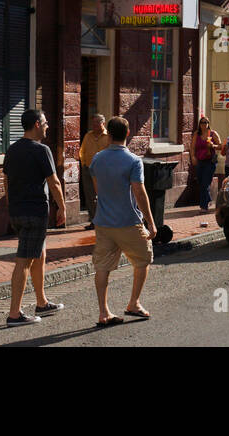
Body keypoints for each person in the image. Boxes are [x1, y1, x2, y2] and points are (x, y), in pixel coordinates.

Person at [90, 116, 158, 326]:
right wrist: (151, 223)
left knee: (102, 267)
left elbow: (97, 189)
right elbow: (139, 192)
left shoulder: (97, 159)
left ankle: (103, 312)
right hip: (128, 221)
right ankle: (134, 303)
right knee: (143, 259)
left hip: (103, 222)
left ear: (108, 135)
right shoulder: (133, 161)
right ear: (127, 134)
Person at [4, 109, 68, 325]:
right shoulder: (42, 150)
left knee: (39, 253)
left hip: (17, 211)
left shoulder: (12, 150)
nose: (48, 125)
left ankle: (41, 301)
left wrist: (11, 204)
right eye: (46, 122)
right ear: (37, 125)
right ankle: (14, 314)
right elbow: (54, 182)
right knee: (23, 261)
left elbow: (6, 180)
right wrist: (62, 207)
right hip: (35, 212)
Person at [78, 112, 111, 229]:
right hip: (88, 169)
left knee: (103, 196)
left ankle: (105, 220)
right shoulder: (88, 135)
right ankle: (94, 221)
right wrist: (84, 164)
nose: (95, 125)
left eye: (97, 123)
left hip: (103, 171)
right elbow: (82, 150)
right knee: (90, 196)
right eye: (93, 123)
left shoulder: (109, 137)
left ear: (103, 123)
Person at [190, 114, 221, 211]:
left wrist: (213, 146)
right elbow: (192, 147)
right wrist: (193, 157)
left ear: (208, 124)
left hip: (210, 162)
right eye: (203, 122)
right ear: (199, 124)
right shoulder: (197, 134)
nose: (205, 124)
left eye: (206, 122)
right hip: (200, 161)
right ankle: (208, 199)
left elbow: (221, 146)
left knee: (205, 183)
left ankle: (203, 206)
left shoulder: (212, 134)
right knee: (200, 181)